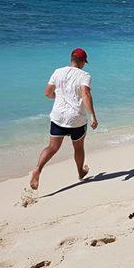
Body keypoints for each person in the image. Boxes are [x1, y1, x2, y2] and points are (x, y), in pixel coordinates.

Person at [30, 48, 98, 190]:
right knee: (78, 147)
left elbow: (47, 93)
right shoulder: (84, 75)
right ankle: (80, 172)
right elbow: (85, 94)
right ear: (82, 62)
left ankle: (38, 169)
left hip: (58, 117)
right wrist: (92, 115)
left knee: (52, 147)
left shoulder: (58, 72)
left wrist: (59, 97)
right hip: (76, 118)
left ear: (71, 59)